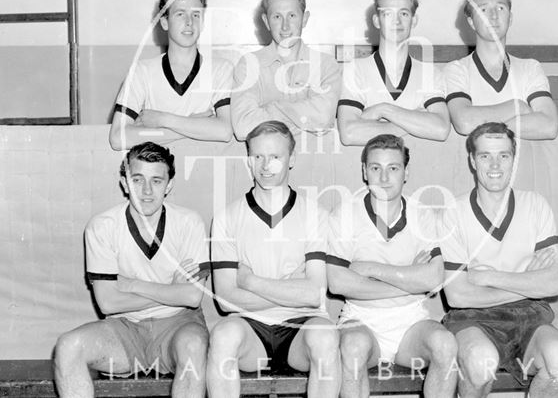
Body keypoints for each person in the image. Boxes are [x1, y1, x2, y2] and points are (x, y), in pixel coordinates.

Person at [54, 142, 210, 398]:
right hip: (125, 328)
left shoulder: (189, 222)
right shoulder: (102, 227)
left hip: (178, 325)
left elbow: (192, 298)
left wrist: (133, 284)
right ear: (125, 183)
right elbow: (108, 303)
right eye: (137, 180)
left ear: (169, 185)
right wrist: (172, 290)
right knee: (68, 346)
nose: (146, 191)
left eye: (157, 181)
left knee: (193, 345)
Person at [439, 122, 558, 397]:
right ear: (472, 160)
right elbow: (458, 296)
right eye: (485, 155)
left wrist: (487, 277)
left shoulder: (535, 205)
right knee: (480, 363)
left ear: (514, 159)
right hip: (473, 320)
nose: (495, 164)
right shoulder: (453, 211)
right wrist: (526, 279)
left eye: (504, 155)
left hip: (529, 317)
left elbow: (554, 284)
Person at [207, 120, 340, 397]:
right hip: (250, 328)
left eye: (275, 157)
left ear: (292, 160)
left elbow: (314, 294)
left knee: (326, 335)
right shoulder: (226, 218)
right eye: (258, 156)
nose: (266, 166)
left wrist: (250, 281)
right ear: (248, 160)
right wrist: (289, 289)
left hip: (301, 327)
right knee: (223, 336)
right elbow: (226, 298)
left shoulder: (315, 214)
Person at [326, 134, 457, 398]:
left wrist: (371, 269)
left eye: (393, 168)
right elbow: (338, 283)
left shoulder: (422, 213)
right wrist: (410, 282)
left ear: (406, 172)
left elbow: (434, 278)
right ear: (364, 171)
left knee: (445, 344)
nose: (384, 178)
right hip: (361, 318)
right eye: (376, 168)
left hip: (411, 320)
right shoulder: (345, 214)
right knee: (352, 347)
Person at [109, 0, 233, 150]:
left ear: (203, 21)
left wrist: (162, 120)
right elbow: (118, 138)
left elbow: (224, 131)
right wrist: (192, 126)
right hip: (157, 174)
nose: (189, 22)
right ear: (165, 22)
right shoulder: (142, 71)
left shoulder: (221, 69)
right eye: (180, 14)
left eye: (196, 15)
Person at [445, 0, 558, 140]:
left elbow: (549, 126)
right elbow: (464, 121)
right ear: (471, 22)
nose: (493, 16)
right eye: (483, 9)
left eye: (500, 8)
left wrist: (488, 127)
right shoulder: (456, 69)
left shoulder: (530, 67)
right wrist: (518, 106)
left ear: (510, 18)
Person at [337, 0, 450, 146]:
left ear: (414, 20)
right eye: (388, 14)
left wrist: (383, 109)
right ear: (376, 20)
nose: (397, 21)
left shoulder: (430, 73)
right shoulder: (355, 69)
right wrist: (414, 121)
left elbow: (440, 129)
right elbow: (349, 133)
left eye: (404, 13)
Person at [230, 0, 342, 141]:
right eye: (277, 17)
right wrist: (304, 116)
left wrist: (272, 108)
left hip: (316, 161)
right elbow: (243, 127)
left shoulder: (326, 65)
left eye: (292, 15)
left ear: (304, 19)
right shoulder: (249, 65)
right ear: (266, 21)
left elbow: (323, 118)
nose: (285, 26)